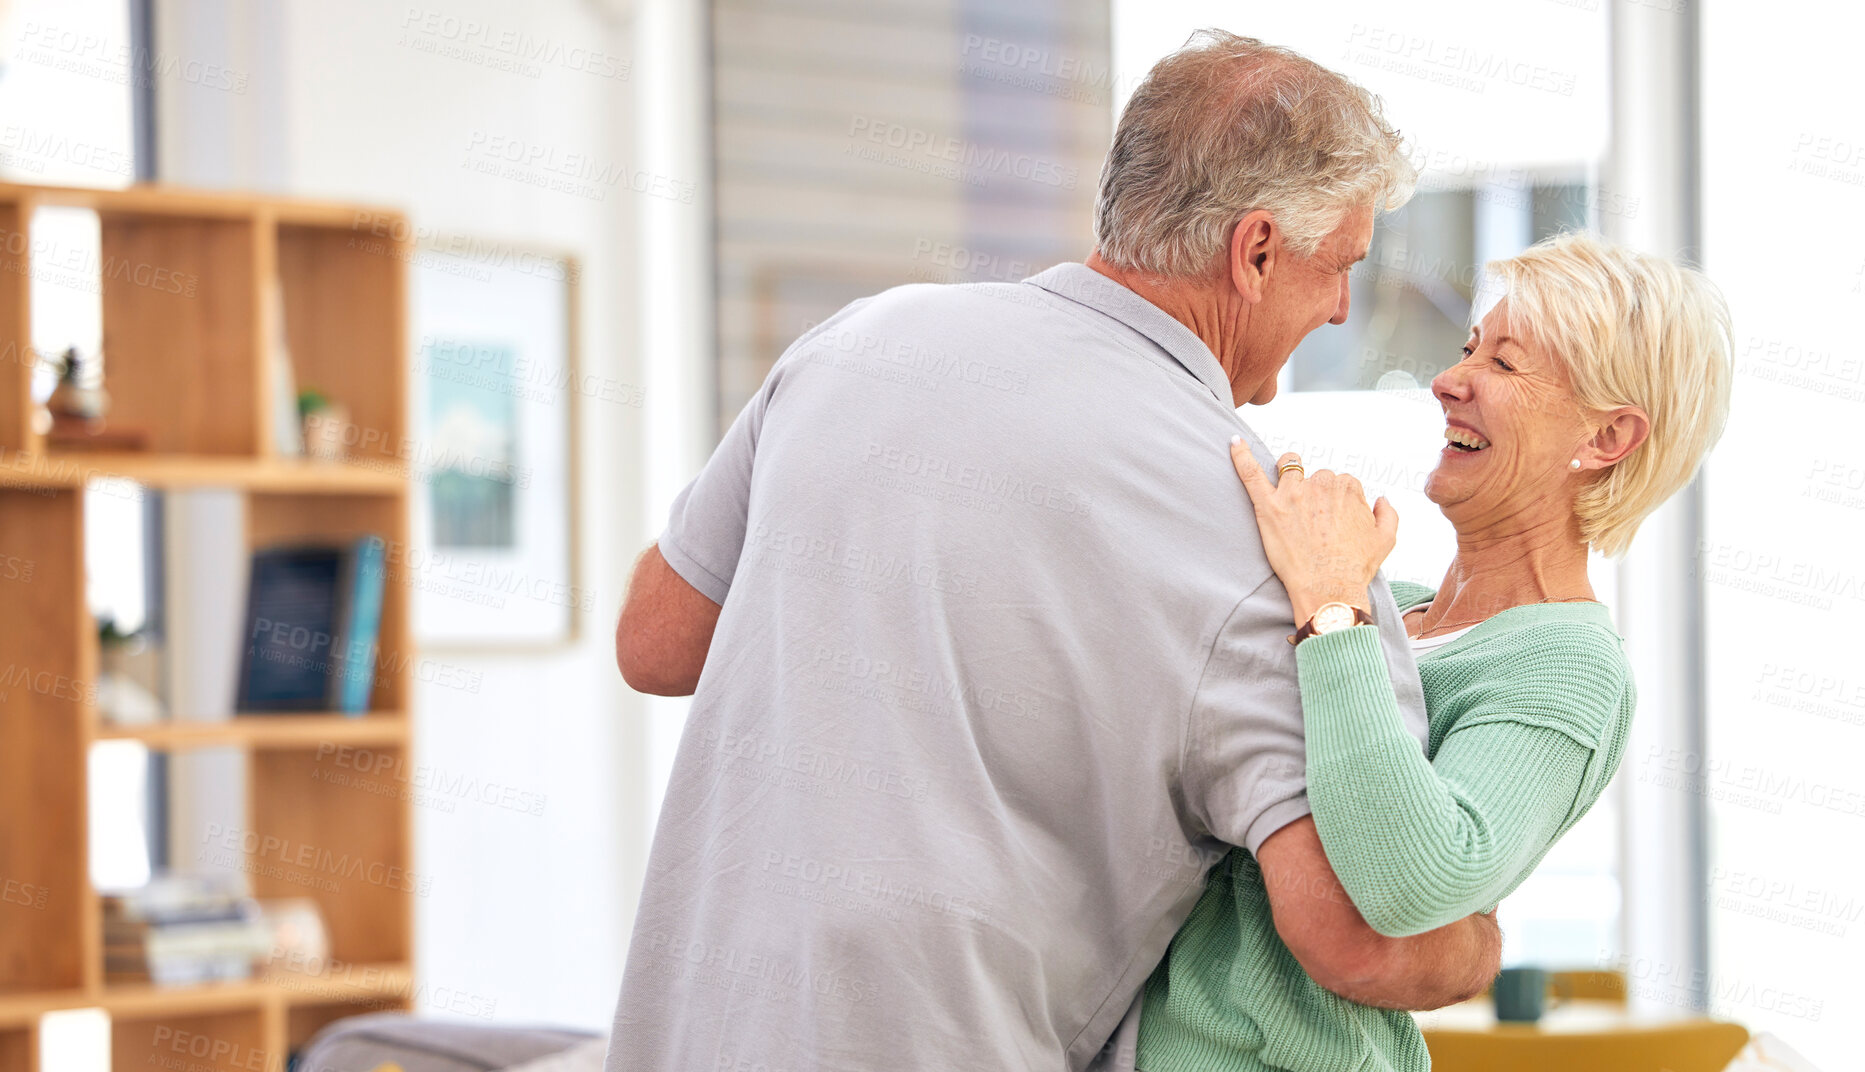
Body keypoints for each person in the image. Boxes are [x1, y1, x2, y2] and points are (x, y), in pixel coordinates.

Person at [605, 31, 1500, 1072]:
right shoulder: (1275, 531)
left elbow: (654, 643)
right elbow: (1354, 934)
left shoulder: (854, 343)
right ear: (1253, 252)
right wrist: (1474, 942)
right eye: (1339, 264)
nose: (1343, 305)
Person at [1133, 232, 1734, 1072]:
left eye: (1506, 365)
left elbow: (1412, 881)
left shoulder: (1568, 664)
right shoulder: (1393, 605)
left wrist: (1333, 605)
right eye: (1465, 350)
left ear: (1605, 440)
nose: (1448, 381)